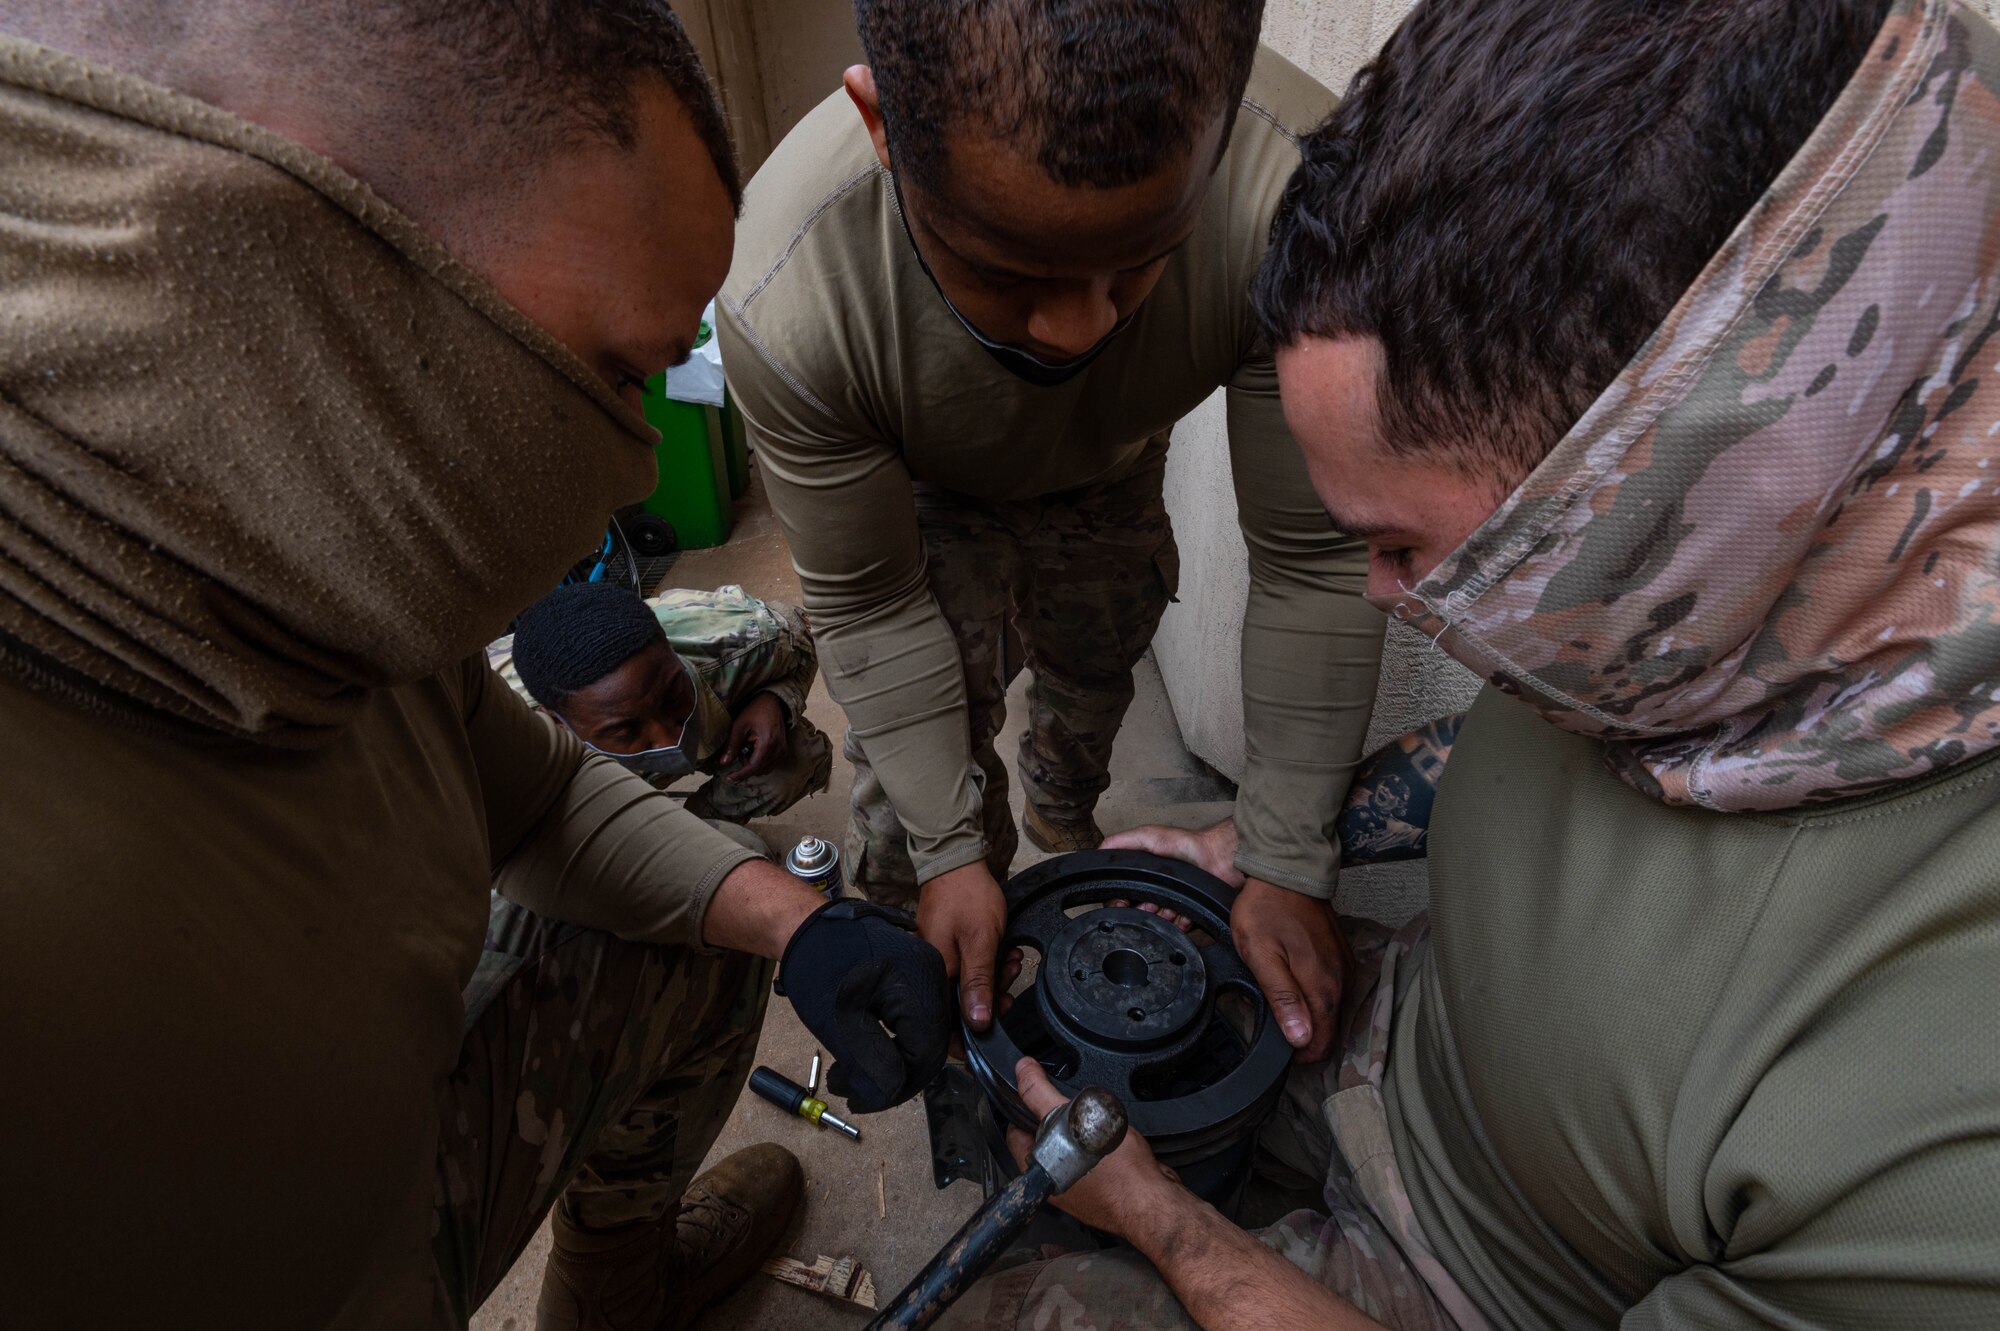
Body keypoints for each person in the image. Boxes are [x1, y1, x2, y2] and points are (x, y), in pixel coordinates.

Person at [939, 0, 2000, 1327]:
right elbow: (1523, 760)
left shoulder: (1957, 1156)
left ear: (1659, 509)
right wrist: (1270, 856)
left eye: (1406, 549)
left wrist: (1165, 1224)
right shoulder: (1726, 591)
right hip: (1404, 1035)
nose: (1387, 600)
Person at [0, 4, 952, 1329]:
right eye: (613, 376)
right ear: (285, 252)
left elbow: (547, 801)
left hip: (389, 1195)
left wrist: (803, 922)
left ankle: (619, 1285)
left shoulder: (330, 587)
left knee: (702, 927)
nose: (632, 472)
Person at [718, 0, 1387, 1061]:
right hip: (921, 489)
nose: (1080, 329)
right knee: (917, 805)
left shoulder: (1309, 196)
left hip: (1110, 478)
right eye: (1006, 268)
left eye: (1142, 259)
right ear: (882, 125)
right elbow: (872, 599)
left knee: (1095, 663)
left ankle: (1057, 810)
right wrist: (945, 856)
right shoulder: (791, 295)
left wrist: (1286, 855)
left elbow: (1314, 559)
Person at [491, 582, 833, 824]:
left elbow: (804, 633)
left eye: (672, 696)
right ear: (557, 723)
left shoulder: (739, 637)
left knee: (794, 759)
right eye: (625, 730)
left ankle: (704, 826)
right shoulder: (496, 752)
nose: (672, 739)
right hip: (563, 800)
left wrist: (775, 699)